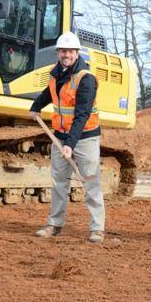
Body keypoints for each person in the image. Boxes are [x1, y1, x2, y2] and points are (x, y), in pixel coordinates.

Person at [29, 32, 105, 244]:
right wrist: (35, 107)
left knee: (90, 181)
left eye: (70, 51)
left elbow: (82, 115)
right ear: (58, 53)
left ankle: (97, 229)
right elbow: (49, 93)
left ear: (77, 53)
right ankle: (54, 224)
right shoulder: (56, 75)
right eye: (63, 51)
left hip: (85, 139)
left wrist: (70, 144)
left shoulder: (86, 78)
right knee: (58, 182)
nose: (66, 54)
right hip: (60, 137)